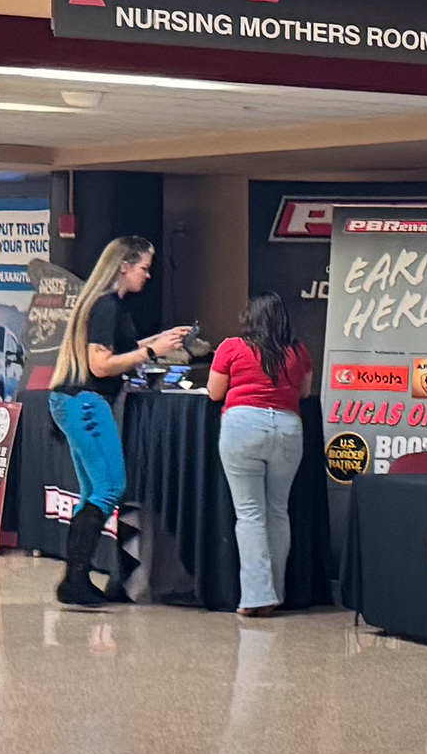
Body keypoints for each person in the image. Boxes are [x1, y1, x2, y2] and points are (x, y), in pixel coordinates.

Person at [47, 237, 189, 608]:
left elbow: (117, 350)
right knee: (110, 488)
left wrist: (158, 341)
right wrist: (153, 351)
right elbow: (101, 365)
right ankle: (74, 579)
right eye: (144, 267)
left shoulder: (104, 305)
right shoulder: (107, 306)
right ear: (124, 266)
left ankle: (75, 578)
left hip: (72, 400)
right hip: (87, 402)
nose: (148, 275)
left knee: (92, 492)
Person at [204, 291, 313, 618]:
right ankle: (275, 593)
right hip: (288, 429)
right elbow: (305, 392)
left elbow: (214, 392)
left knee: (250, 514)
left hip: (243, 427)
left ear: (249, 318)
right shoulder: (299, 351)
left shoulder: (232, 347)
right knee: (278, 512)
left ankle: (256, 597)